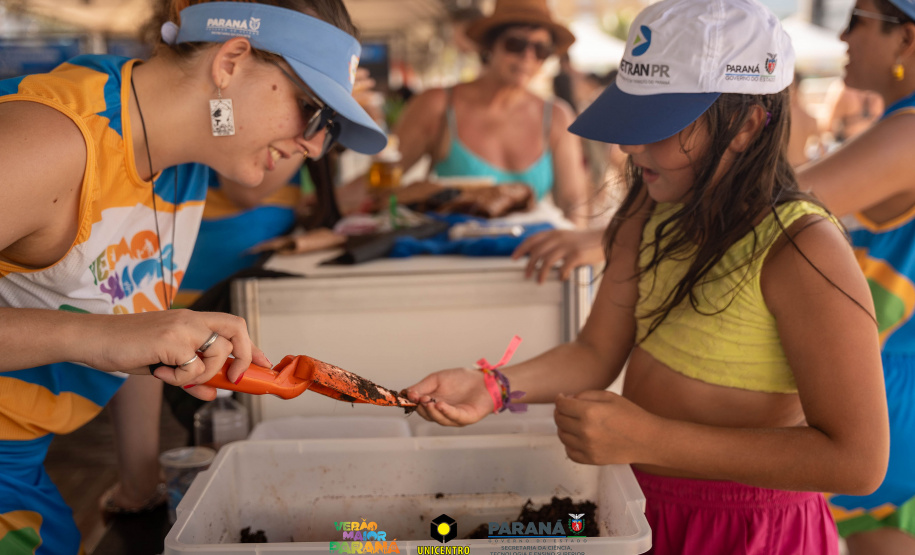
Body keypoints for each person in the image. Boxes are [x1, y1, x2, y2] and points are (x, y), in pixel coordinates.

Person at [405, 1, 889, 554]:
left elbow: (857, 461)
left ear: (747, 125)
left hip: (755, 529)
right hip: (641, 506)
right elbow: (595, 352)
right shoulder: (648, 209)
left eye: (655, 126)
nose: (628, 147)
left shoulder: (802, 250)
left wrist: (653, 437)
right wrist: (492, 385)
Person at [0, 0, 386, 552]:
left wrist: (140, 486)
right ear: (230, 60)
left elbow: (137, 330)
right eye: (313, 111)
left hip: (23, 457)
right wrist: (100, 338)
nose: (315, 146)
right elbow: (118, 335)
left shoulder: (181, 166)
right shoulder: (52, 141)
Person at [797, 1, 915, 552]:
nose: (843, 35)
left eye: (860, 18)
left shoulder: (909, 134)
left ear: (905, 41)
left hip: (878, 393)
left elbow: (767, 210)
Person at [337, 0, 590, 227]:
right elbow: (383, 180)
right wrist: (321, 202)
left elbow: (573, 203)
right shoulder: (438, 105)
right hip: (454, 263)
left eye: (540, 50)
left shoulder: (556, 116)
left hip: (529, 263)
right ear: (490, 45)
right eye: (516, 44)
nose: (528, 57)